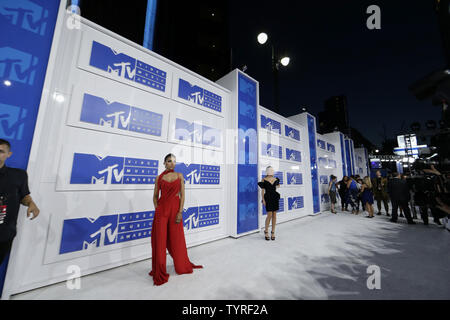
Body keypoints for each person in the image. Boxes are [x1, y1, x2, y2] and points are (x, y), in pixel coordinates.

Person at [149, 153, 202, 285]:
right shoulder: (158, 178)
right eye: (169, 161)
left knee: (177, 240)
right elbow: (155, 196)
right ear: (164, 163)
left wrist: (180, 212)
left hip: (175, 212)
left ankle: (182, 265)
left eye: (174, 161)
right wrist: (158, 209)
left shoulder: (179, 176)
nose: (172, 163)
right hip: (162, 212)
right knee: (160, 242)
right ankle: (159, 270)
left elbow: (182, 196)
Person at [0, 139, 40, 265]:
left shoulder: (18, 175)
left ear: (8, 154)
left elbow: (23, 196)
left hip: (4, 233)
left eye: (0, 151)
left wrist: (31, 203)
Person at [257, 166, 280, 240]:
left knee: (274, 215)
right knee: (269, 215)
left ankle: (273, 232)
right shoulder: (264, 180)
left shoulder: (276, 179)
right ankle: (266, 231)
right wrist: (263, 199)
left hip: (274, 197)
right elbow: (262, 191)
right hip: (268, 198)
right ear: (267, 171)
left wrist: (276, 185)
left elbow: (278, 186)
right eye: (269, 170)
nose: (271, 172)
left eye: (272, 170)